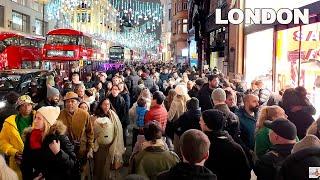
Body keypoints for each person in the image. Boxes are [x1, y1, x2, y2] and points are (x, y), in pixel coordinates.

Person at [200, 109, 251, 180]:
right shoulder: (236, 147)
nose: (199, 122)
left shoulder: (203, 147)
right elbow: (246, 173)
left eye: (201, 120)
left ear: (206, 125)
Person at [58, 92, 94, 179]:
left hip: (82, 149)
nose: (70, 104)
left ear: (77, 103)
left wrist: (90, 148)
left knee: (81, 171)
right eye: (67, 102)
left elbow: (90, 132)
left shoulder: (84, 114)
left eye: (73, 101)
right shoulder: (60, 114)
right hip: (66, 151)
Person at [0, 95, 35, 179]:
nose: (26, 107)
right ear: (18, 108)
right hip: (17, 161)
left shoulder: (39, 118)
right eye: (23, 105)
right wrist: (13, 152)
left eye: (29, 104)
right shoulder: (9, 122)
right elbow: (2, 141)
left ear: (32, 106)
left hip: (36, 160)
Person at [93, 97, 125, 180]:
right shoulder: (95, 117)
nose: (106, 106)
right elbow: (93, 132)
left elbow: (117, 129)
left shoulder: (113, 115)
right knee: (99, 165)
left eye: (108, 104)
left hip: (111, 145)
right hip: (100, 146)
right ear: (100, 105)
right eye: (104, 104)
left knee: (107, 165)